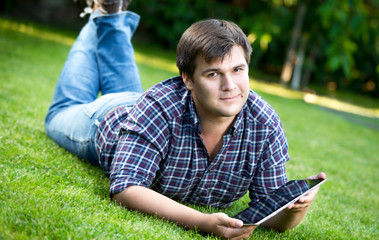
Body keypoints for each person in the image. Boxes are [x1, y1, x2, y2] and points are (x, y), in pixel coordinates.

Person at [45, 1, 326, 239]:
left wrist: (294, 210)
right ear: (188, 79)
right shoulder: (159, 106)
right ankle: (101, 16)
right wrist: (202, 222)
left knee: (130, 92)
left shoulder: (264, 124)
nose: (230, 85)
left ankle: (109, 13)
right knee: (61, 112)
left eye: (238, 69)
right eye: (213, 74)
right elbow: (125, 188)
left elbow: (271, 213)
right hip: (108, 121)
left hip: (143, 111)